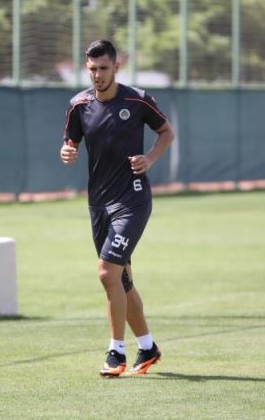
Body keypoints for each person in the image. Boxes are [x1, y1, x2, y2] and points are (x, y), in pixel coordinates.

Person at [60, 39, 175, 377]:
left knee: (107, 273)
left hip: (132, 200)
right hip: (98, 203)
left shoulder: (137, 100)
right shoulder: (78, 105)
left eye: (103, 68)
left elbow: (166, 132)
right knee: (121, 281)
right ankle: (148, 347)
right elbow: (70, 142)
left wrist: (150, 158)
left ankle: (116, 352)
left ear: (116, 67)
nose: (97, 75)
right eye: (92, 69)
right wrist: (67, 151)